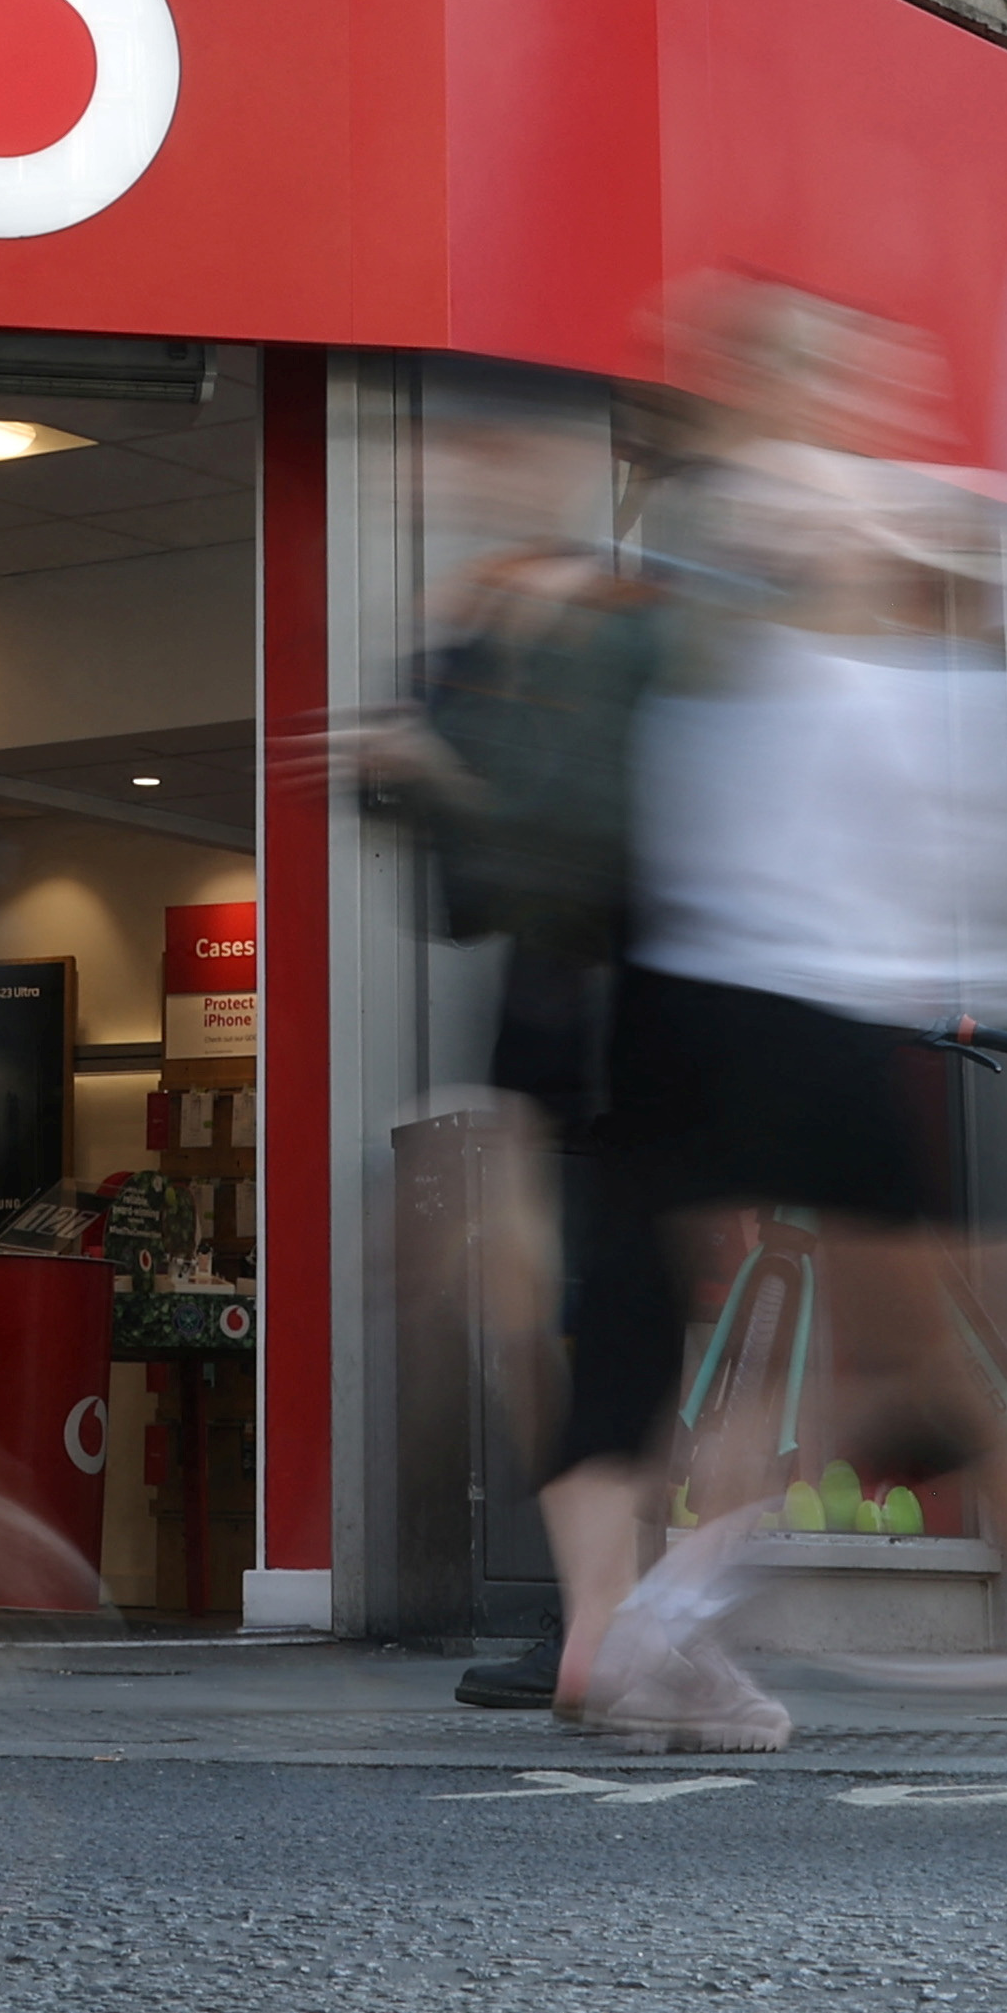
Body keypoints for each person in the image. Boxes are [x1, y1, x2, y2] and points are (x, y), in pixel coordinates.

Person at [580, 282, 1007, 1757]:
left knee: (848, 1358)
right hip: (790, 1004)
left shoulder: (740, 550)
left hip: (720, 1005)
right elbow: (903, 532)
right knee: (931, 1344)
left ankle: (691, 1624)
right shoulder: (771, 525)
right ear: (775, 392)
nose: (871, 398)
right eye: (838, 371)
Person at [343, 409, 668, 1718]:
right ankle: (601, 1612)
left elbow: (579, 826)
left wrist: (438, 776)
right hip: (545, 1009)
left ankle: (633, 1608)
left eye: (485, 454)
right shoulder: (479, 622)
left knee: (614, 1312)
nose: (460, 477)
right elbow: (461, 879)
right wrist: (400, 776)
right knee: (539, 1309)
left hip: (639, 1007)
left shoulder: (623, 624)